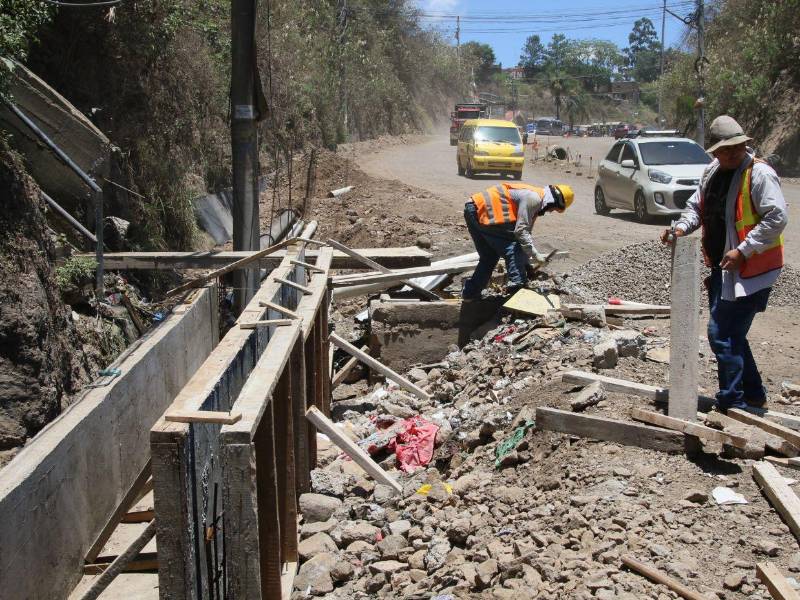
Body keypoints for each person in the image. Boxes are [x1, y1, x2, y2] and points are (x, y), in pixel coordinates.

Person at [660, 115, 788, 412]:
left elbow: (777, 217)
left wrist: (743, 250)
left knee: (721, 334)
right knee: (733, 335)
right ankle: (753, 394)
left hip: (751, 271)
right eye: (726, 149)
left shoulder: (759, 175)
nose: (733, 153)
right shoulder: (713, 172)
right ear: (715, 152)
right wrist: (680, 228)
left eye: (738, 147)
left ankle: (733, 402)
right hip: (724, 269)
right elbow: (696, 207)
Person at [462, 182, 574, 299]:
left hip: (473, 208)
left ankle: (470, 294)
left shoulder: (535, 198)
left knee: (489, 258)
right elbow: (521, 232)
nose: (550, 211)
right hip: (484, 210)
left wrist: (526, 265)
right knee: (514, 245)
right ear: (555, 201)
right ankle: (517, 287)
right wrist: (535, 255)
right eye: (554, 209)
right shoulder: (534, 199)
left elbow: (526, 235)